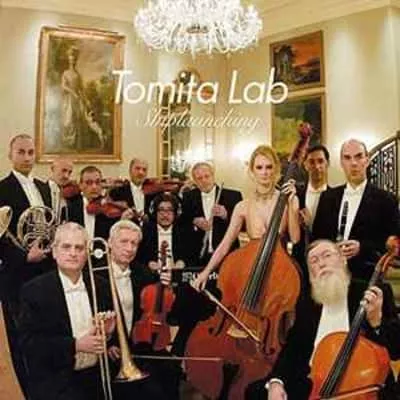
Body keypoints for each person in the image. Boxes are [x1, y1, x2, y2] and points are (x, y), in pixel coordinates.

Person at [245, 239, 400, 400]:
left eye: (327, 255)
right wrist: (277, 382)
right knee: (256, 392)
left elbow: (396, 350)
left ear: (343, 260)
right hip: (316, 383)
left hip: (362, 386)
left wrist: (377, 321)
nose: (321, 264)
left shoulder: (372, 292)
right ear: (311, 273)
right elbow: (293, 347)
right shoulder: (309, 301)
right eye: (314, 261)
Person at [18, 222, 115, 400]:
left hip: (95, 383)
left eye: (79, 248)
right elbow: (28, 344)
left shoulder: (101, 286)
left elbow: (105, 341)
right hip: (54, 386)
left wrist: (107, 334)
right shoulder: (34, 290)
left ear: (87, 253)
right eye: (66, 247)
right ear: (54, 252)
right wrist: (75, 345)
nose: (73, 253)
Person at [193, 145, 300, 291]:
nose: (264, 172)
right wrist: (205, 272)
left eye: (269, 167)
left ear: (275, 169)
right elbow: (225, 245)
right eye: (259, 167)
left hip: (281, 270)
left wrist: (292, 204)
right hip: (252, 269)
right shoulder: (242, 206)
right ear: (252, 171)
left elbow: (295, 238)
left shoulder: (288, 200)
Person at [106, 219, 182, 400]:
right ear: (110, 243)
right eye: (124, 242)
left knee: (171, 370)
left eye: (134, 243)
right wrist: (107, 344)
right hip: (110, 349)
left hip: (140, 343)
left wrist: (165, 288)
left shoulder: (144, 273)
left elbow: (163, 311)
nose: (129, 248)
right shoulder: (95, 273)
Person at [312, 139, 399, 281]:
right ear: (341, 163)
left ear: (367, 160)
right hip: (330, 278)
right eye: (347, 158)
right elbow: (317, 238)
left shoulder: (386, 200)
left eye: (359, 157)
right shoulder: (327, 197)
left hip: (367, 278)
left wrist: (362, 247)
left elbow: (391, 243)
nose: (353, 163)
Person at [181, 161, 242, 265]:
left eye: (207, 176)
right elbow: (181, 224)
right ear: (194, 181)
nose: (204, 181)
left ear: (213, 176)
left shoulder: (233, 196)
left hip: (227, 254)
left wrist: (226, 215)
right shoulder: (188, 197)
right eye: (199, 178)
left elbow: (243, 225)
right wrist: (194, 221)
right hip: (198, 256)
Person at [293, 144, 330, 284]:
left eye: (320, 161)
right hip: (299, 262)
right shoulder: (296, 195)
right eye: (312, 162)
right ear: (305, 165)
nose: (317, 166)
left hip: (325, 264)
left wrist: (311, 225)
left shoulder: (337, 196)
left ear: (327, 163)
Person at [61, 46, 88, 150]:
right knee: (69, 120)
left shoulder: (77, 75)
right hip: (69, 99)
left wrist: (85, 100)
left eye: (75, 59)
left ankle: (78, 144)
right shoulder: (65, 73)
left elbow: (81, 89)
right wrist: (72, 92)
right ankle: (69, 143)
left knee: (78, 119)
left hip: (77, 99)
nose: (73, 61)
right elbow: (63, 86)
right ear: (69, 60)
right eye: (71, 59)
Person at [47, 157, 74, 223]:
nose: (66, 176)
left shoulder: (73, 194)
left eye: (69, 172)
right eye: (64, 170)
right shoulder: (39, 189)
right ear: (53, 169)